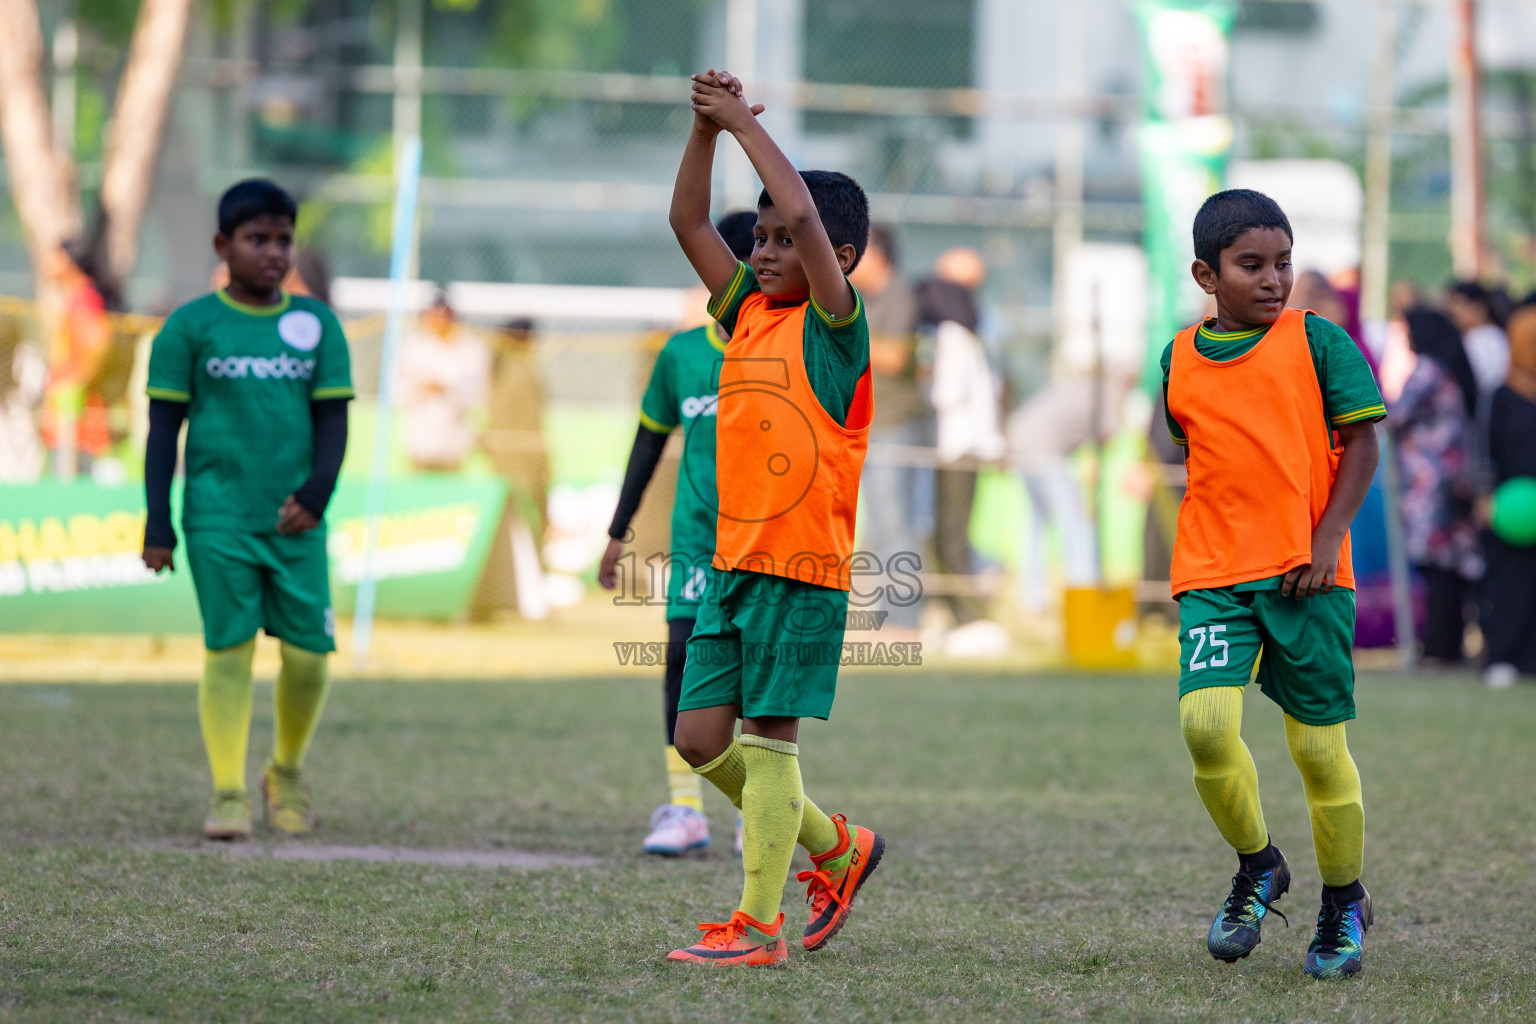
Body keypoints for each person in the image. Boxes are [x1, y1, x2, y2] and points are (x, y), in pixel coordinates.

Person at [663, 68, 884, 967]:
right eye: (756, 238)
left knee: (765, 743)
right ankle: (836, 845)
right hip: (731, 566)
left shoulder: (836, 326)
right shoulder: (744, 313)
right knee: (697, 739)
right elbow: (684, 223)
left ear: (833, 258)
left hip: (801, 572)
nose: (762, 252)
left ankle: (757, 931)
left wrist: (747, 128)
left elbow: (798, 203)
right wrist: (706, 133)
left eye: (783, 241)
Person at [1162, 189, 1384, 979]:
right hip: (1216, 576)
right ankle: (1258, 866)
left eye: (1282, 263)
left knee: (1318, 752)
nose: (1273, 279)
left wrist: (1326, 540)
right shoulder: (1178, 357)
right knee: (1206, 729)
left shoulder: (1321, 342)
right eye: (1251, 265)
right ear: (1205, 274)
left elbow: (1361, 446)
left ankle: (1343, 903)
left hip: (1309, 575)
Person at [142, 179, 353, 841]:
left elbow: (332, 422)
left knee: (310, 657)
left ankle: (284, 772)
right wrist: (158, 521)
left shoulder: (316, 325)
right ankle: (229, 792)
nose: (272, 252)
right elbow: (161, 431)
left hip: (296, 519)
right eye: (256, 239)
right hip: (217, 520)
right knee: (228, 651)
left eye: (283, 240)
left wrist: (318, 494)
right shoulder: (189, 326)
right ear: (221, 245)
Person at [597, 210, 757, 857]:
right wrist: (617, 531)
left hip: (765, 550)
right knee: (683, 669)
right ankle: (685, 809)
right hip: (695, 547)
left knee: (755, 680)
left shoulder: (787, 352)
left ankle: (757, 808)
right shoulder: (683, 354)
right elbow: (647, 440)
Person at [914, 275, 1008, 654]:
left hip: (956, 448)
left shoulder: (951, 337)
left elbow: (946, 395)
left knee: (950, 535)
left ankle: (968, 614)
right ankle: (960, 612)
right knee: (952, 532)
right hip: (967, 448)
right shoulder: (969, 338)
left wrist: (925, 377)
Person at [1386, 309, 1483, 663]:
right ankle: (1449, 646)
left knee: (1437, 567)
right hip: (1452, 482)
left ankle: (1440, 649)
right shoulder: (1450, 368)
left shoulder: (1427, 370)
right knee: (1451, 567)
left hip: (1431, 486)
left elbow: (1392, 415)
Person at [849, 225, 927, 636]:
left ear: (877, 256)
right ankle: (882, 614)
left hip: (896, 425)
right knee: (876, 525)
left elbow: (895, 356)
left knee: (895, 522)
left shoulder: (899, 294)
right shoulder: (859, 298)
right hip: (865, 426)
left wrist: (847, 331)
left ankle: (906, 618)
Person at [1479, 305, 1536, 686]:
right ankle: (1501, 657)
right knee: (1508, 582)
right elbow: (1485, 448)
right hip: (1509, 507)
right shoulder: (1501, 393)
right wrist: (1484, 495)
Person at [398, 292, 491, 473]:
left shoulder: (471, 350)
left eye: (443, 316)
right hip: (419, 441)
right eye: (433, 316)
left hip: (455, 444)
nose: (437, 322)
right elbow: (398, 391)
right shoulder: (413, 348)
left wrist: (447, 389)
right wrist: (421, 388)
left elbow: (479, 394)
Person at [1446, 280, 1510, 399]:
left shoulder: (1489, 336)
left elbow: (1492, 380)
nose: (1455, 312)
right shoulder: (1468, 337)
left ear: (1479, 306)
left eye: (1460, 305)